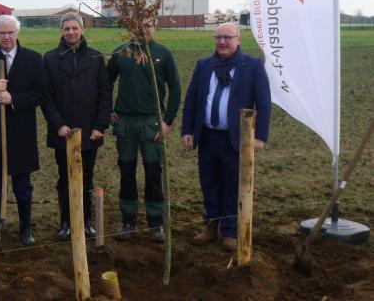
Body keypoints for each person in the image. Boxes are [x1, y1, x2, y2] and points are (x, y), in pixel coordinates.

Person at [181, 23, 271, 251]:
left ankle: (230, 232)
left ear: (238, 40)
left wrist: (260, 136)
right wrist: (188, 130)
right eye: (218, 37)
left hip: (236, 138)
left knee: (232, 185)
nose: (222, 42)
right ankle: (211, 227)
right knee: (209, 183)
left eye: (227, 38)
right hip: (208, 137)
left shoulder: (252, 66)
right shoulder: (204, 66)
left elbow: (263, 102)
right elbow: (192, 99)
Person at [106, 18, 181, 242]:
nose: (143, 29)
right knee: (127, 172)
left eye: (148, 25)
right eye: (139, 25)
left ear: (154, 27)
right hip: (126, 123)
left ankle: (155, 223)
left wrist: (166, 121)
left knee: (153, 173)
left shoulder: (163, 53)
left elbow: (175, 88)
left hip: (152, 123)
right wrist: (108, 110)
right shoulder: (121, 52)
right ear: (131, 27)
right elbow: (105, 83)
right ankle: (128, 220)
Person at [0, 15, 45, 246]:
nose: (6, 37)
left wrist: (14, 98)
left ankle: (25, 228)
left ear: (17, 33)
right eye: (1, 33)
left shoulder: (33, 60)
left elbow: (40, 94)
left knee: (22, 184)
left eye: (10, 32)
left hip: (22, 133)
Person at [42, 12, 111, 240]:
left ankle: (86, 222)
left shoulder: (95, 57)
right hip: (62, 134)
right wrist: (58, 125)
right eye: (66, 29)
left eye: (75, 28)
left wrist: (100, 126)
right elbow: (47, 97)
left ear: (82, 30)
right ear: (61, 31)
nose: (71, 32)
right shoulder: (50, 59)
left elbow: (104, 94)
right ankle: (65, 223)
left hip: (90, 132)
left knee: (86, 179)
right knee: (64, 179)